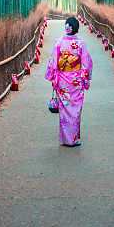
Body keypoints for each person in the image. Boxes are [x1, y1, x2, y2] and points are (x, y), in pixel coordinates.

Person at [45, 16, 94, 147]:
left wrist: (53, 76)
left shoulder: (59, 42)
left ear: (74, 28)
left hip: (63, 81)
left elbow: (53, 61)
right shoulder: (80, 43)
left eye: (69, 25)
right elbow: (87, 63)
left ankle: (67, 139)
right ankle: (72, 139)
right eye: (67, 24)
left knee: (66, 109)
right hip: (75, 81)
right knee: (75, 109)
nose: (67, 26)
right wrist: (85, 77)